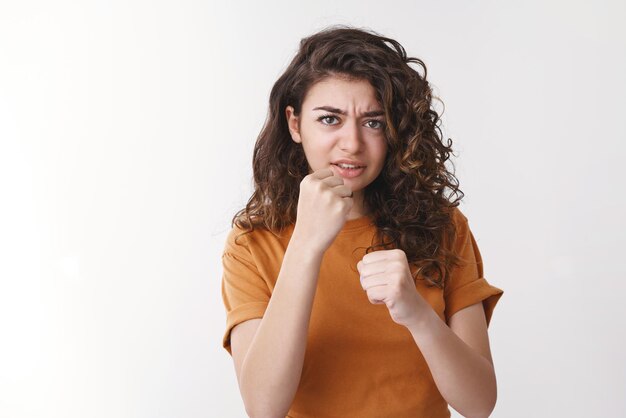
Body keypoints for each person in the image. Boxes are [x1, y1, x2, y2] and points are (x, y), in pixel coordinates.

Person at [220, 25, 503, 418]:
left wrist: (416, 313)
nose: (352, 143)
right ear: (295, 124)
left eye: (373, 122)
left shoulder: (444, 227)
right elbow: (264, 408)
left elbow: (479, 403)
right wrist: (305, 246)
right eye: (330, 119)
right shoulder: (252, 243)